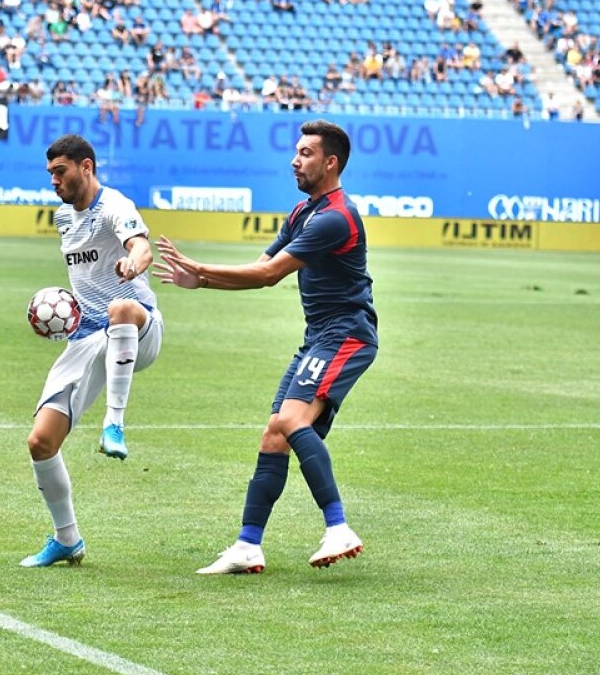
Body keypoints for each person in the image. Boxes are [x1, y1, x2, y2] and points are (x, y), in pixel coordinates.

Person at [152, 120, 378, 574]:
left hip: (346, 333)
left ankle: (338, 527)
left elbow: (270, 274)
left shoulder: (336, 217)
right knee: (276, 432)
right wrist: (204, 281)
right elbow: (261, 266)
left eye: (306, 153)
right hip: (320, 335)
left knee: (292, 420)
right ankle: (247, 545)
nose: (295, 160)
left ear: (330, 162)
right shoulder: (303, 213)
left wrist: (200, 267)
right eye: (296, 152)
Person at [20, 134, 164, 567]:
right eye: (49, 173)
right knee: (40, 442)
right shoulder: (63, 217)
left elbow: (142, 247)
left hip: (140, 328)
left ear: (86, 167)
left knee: (122, 305)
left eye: (60, 171)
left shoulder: (114, 207)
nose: (53, 180)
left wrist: (133, 262)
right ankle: (68, 539)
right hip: (88, 337)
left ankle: (114, 426)